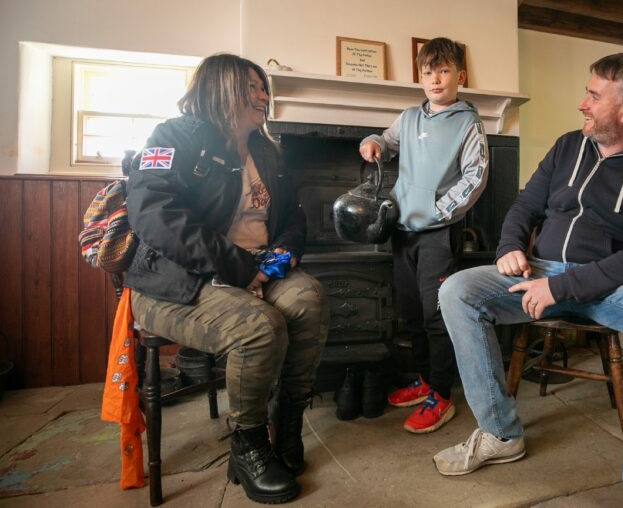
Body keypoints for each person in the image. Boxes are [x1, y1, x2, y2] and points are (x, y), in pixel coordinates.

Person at [434, 52, 623, 508]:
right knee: (457, 290)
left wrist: (560, 289)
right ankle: (500, 434)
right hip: (541, 271)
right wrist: (510, 247)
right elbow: (524, 207)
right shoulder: (566, 147)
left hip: (616, 286)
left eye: (594, 96)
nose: (582, 103)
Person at [124, 54, 328, 504]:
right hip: (175, 282)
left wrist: (282, 256)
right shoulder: (173, 137)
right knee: (259, 326)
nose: (263, 96)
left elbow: (293, 216)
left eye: (264, 88)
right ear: (221, 88)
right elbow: (155, 217)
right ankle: (249, 444)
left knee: (308, 299)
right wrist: (242, 268)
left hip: (255, 268)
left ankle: (287, 423)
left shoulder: (266, 150)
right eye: (252, 87)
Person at [359, 37, 489, 433]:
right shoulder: (409, 118)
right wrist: (372, 143)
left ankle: (442, 394)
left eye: (444, 70)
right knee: (411, 314)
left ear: (459, 76)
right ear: (420, 78)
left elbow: (476, 176)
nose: (436, 78)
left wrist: (439, 211)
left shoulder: (469, 124)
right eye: (428, 72)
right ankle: (424, 380)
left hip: (437, 235)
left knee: (436, 317)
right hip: (402, 231)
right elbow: (387, 141)